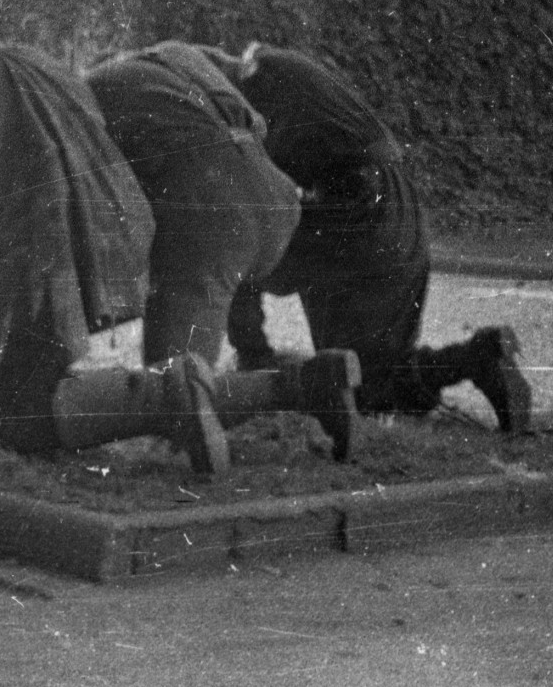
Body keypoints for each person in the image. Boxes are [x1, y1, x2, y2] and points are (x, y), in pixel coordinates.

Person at [0, 0, 231, 475]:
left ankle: (170, 400)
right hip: (88, 262)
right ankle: (274, 389)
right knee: (24, 392)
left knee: (9, 421)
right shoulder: (43, 67)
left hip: (21, 277)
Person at [201, 42, 532, 433]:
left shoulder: (247, 102)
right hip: (397, 202)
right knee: (373, 377)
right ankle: (478, 358)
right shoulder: (277, 67)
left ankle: (254, 359)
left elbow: (242, 220)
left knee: (234, 240)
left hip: (351, 207)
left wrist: (247, 338)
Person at [85, 41, 361, 460]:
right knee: (192, 365)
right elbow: (247, 85)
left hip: (215, 209)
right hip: (274, 195)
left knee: (175, 387)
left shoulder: (90, 89)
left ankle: (309, 388)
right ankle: (314, 382)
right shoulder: (178, 54)